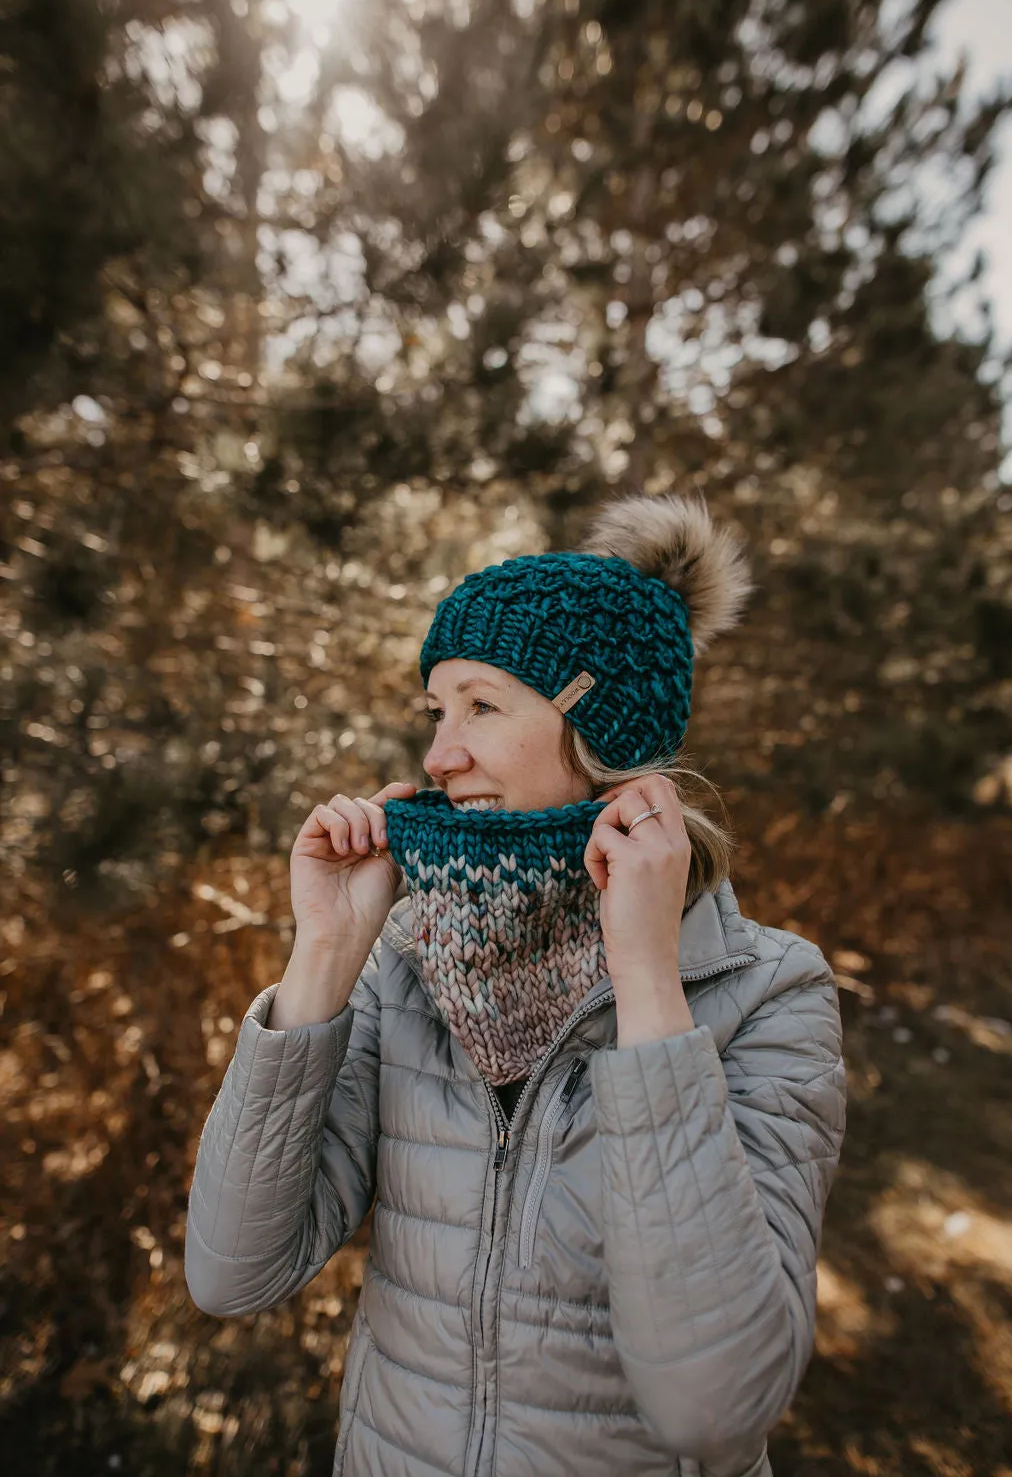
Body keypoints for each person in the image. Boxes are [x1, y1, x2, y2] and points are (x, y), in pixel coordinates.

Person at [185, 491, 846, 1477]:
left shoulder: (767, 993)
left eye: (482, 706)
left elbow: (716, 1411)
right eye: (435, 710)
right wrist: (324, 956)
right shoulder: (404, 965)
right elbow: (231, 1272)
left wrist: (646, 982)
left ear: (602, 734)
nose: (437, 755)